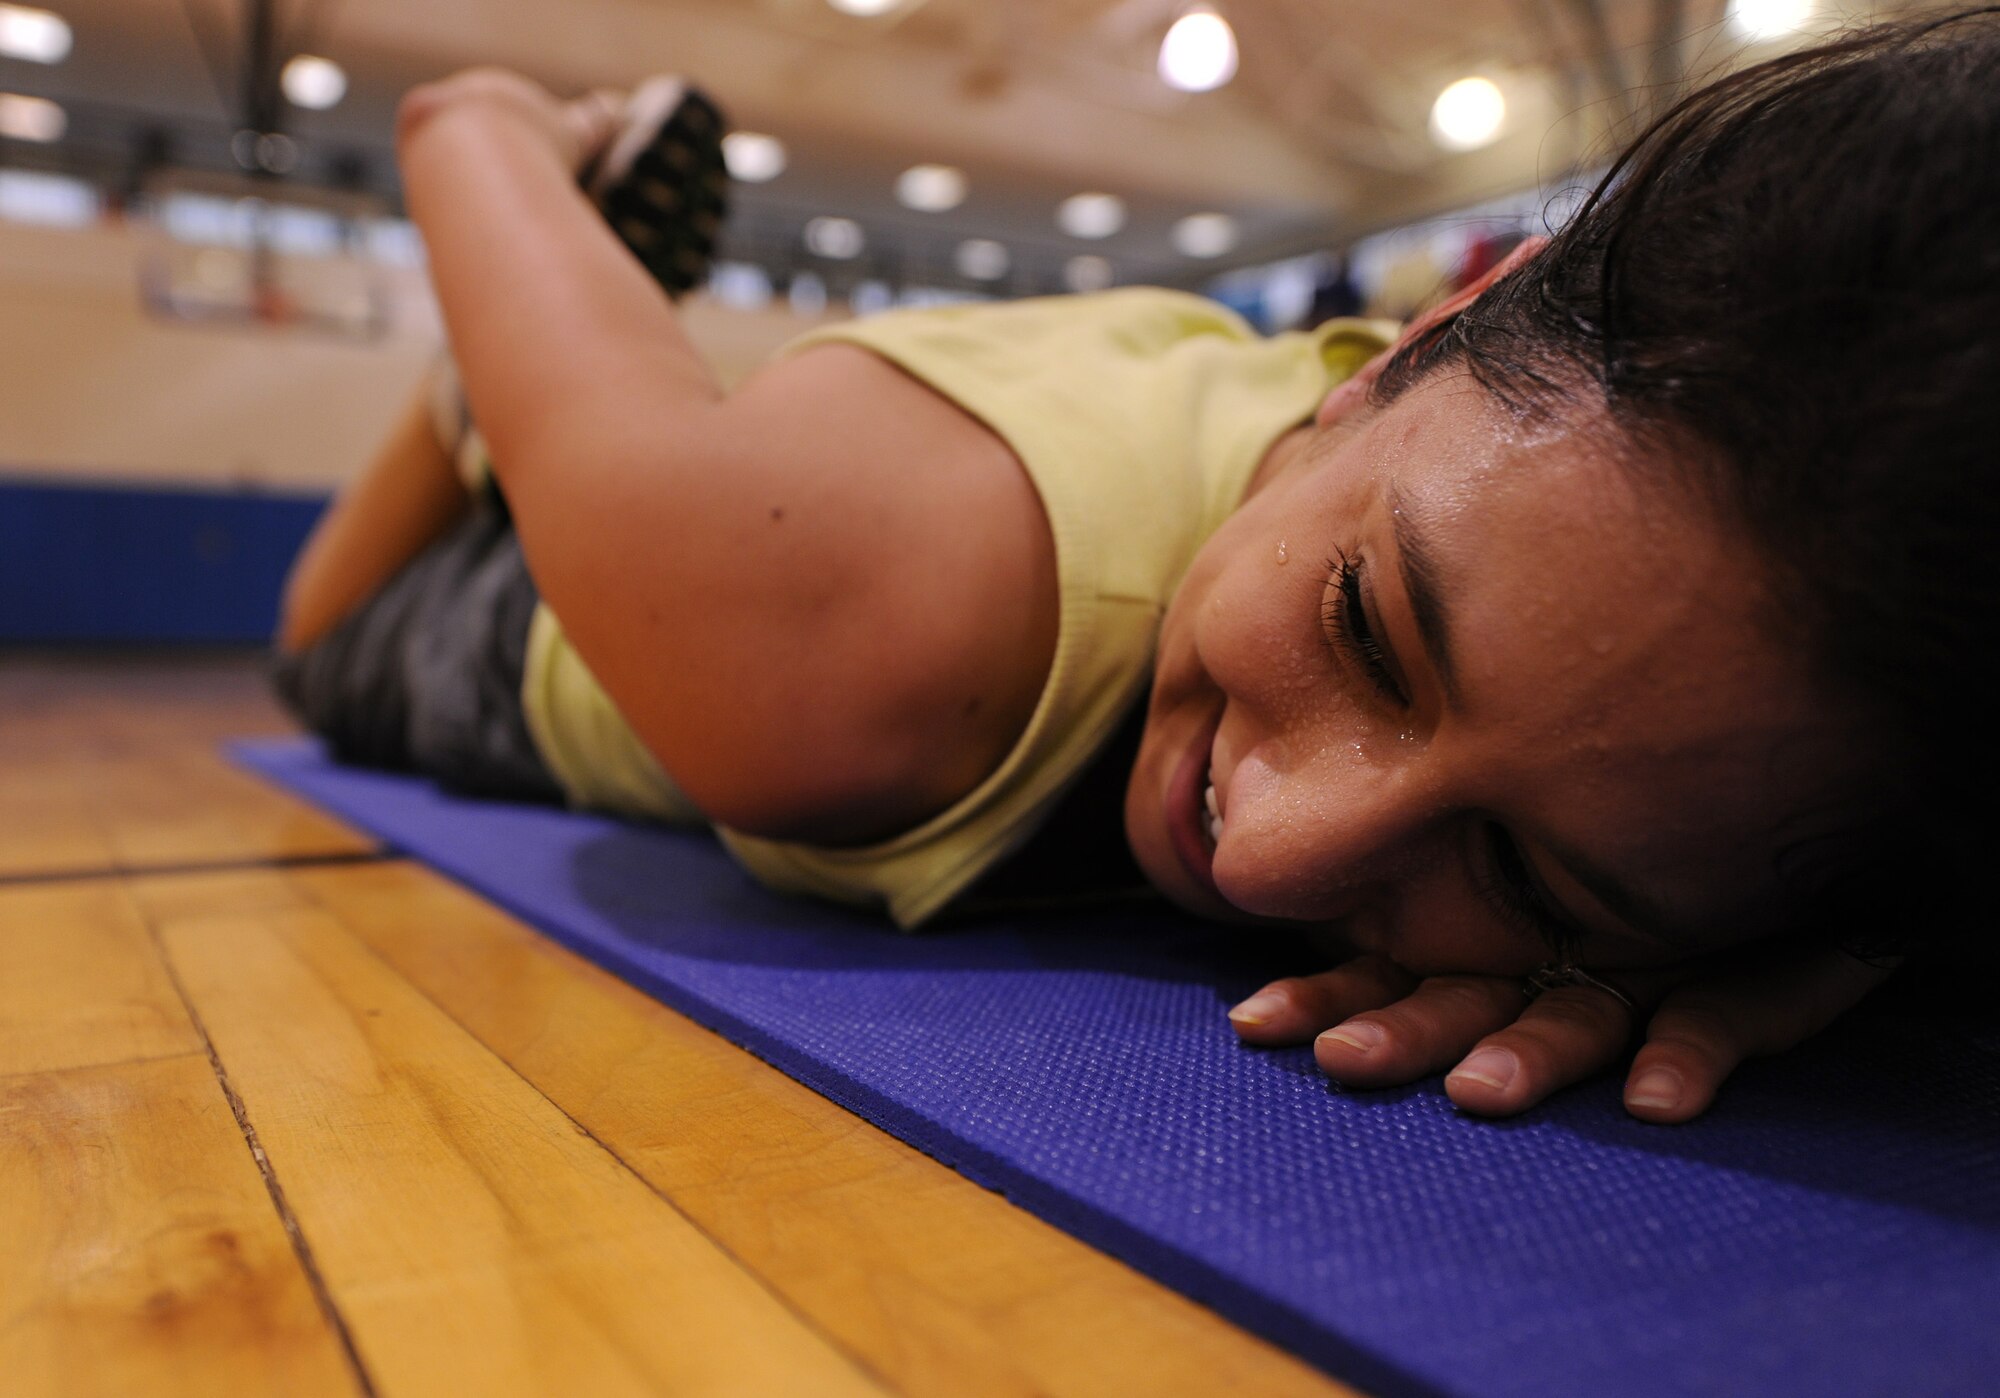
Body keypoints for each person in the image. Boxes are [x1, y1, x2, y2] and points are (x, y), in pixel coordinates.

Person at [274, 12, 2000, 1126]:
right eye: (1369, 633)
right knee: (321, 642)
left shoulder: (1754, 746)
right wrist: (479, 136)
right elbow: (654, 477)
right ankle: (509, 270)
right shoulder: (868, 652)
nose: (1276, 852)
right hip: (630, 600)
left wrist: (1857, 939)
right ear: (1435, 325)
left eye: (1543, 882)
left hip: (805, 499)